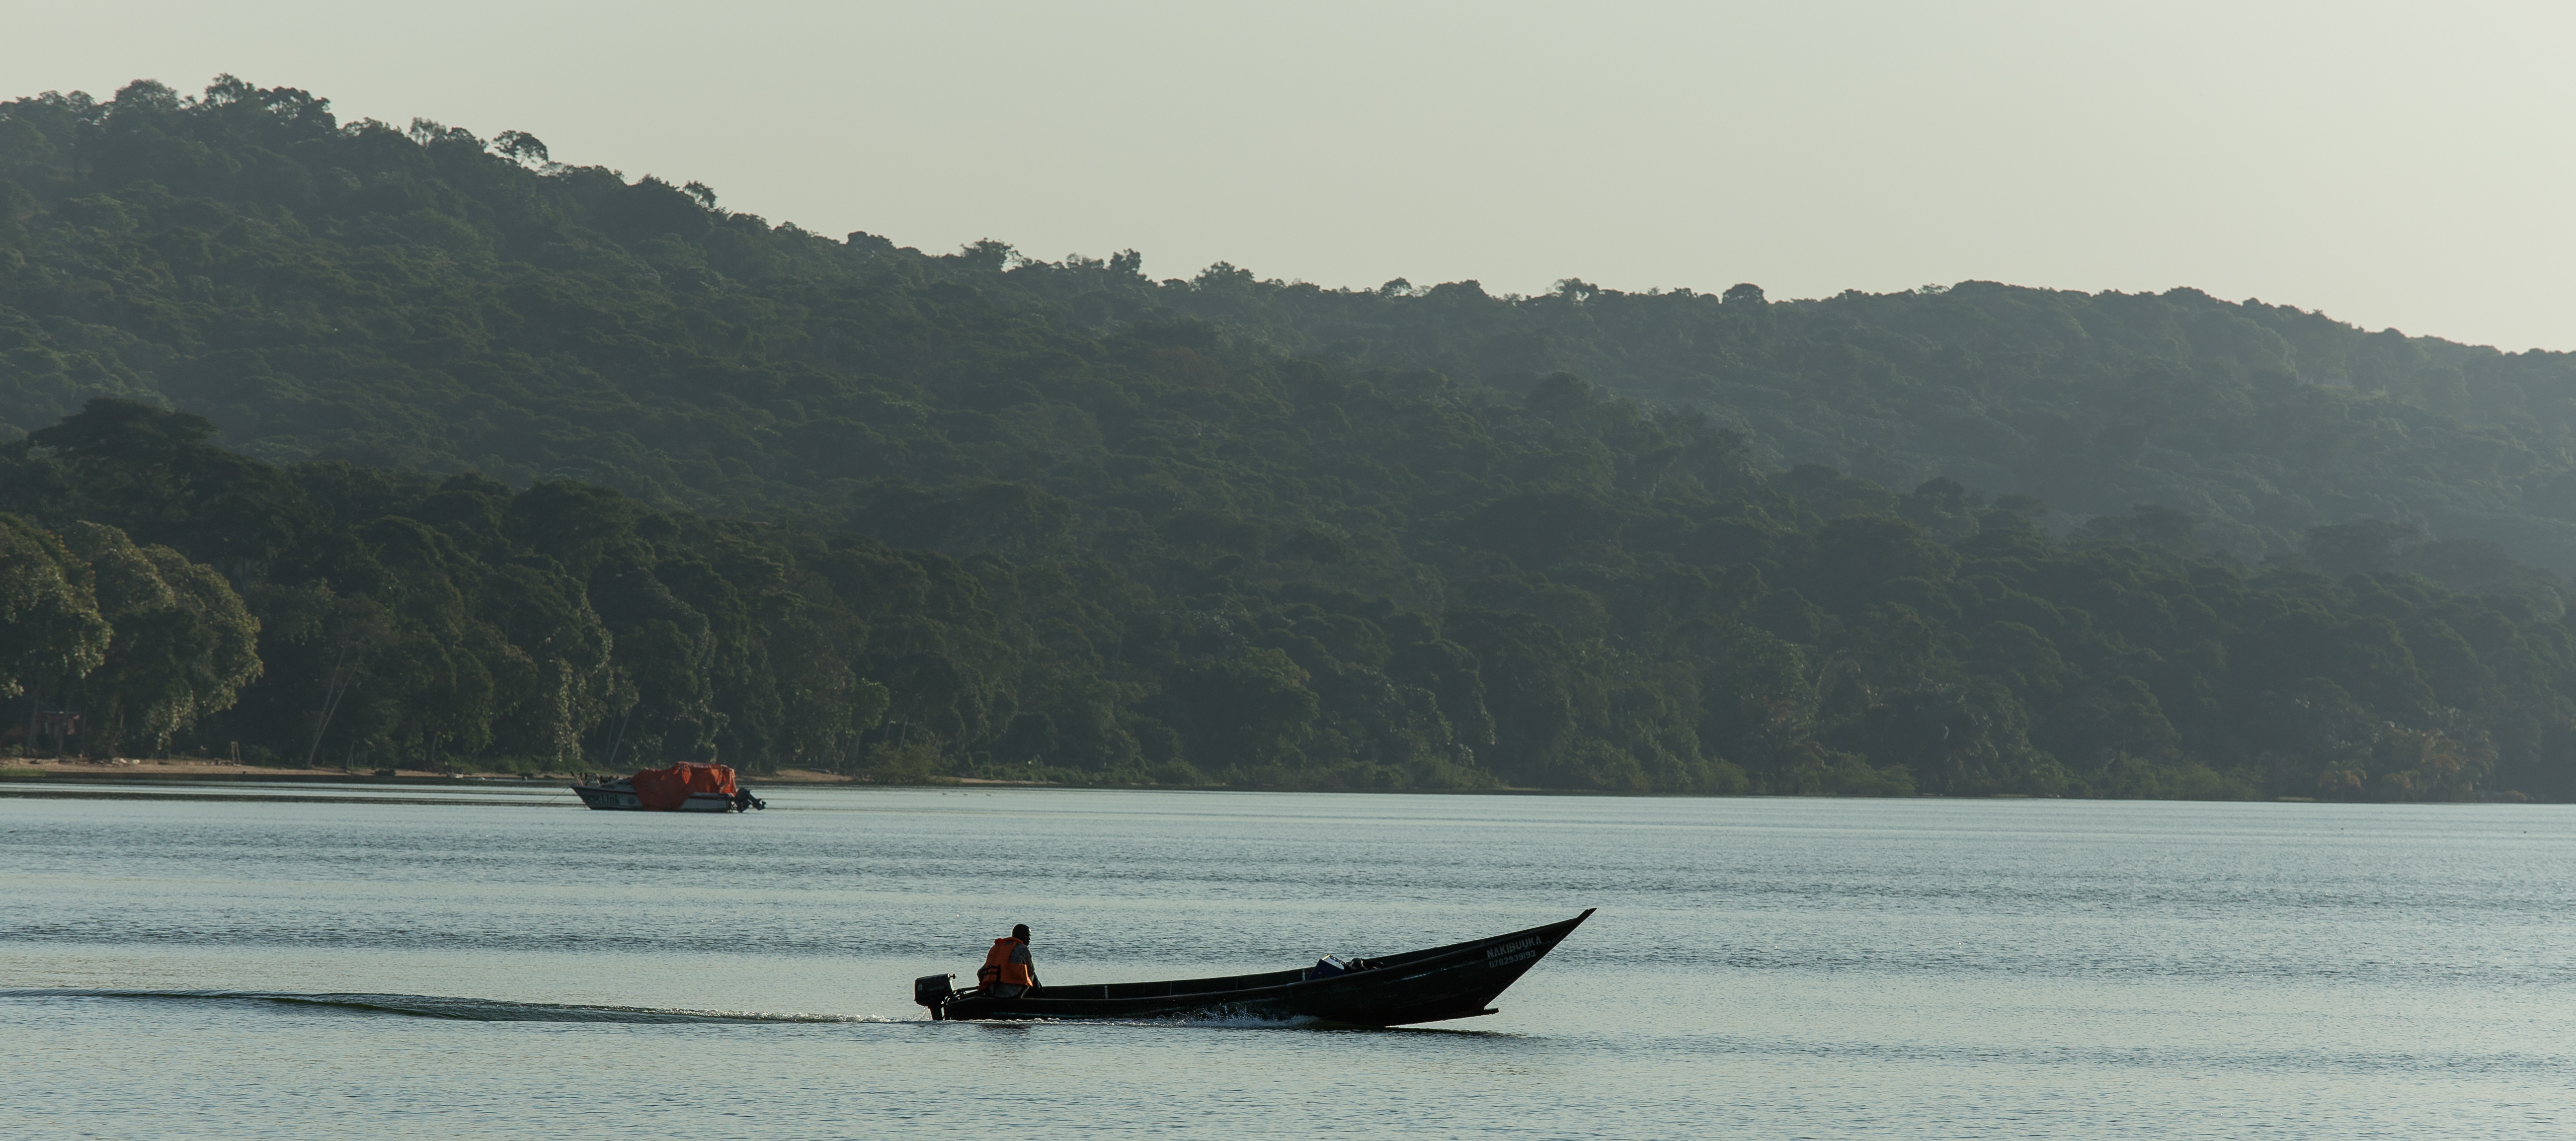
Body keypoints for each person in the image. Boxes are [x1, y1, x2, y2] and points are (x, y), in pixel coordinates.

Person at [978, 923, 1042, 998]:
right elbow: (1031, 972)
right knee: (1032, 975)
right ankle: (1041, 997)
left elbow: (980, 973)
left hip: (994, 992)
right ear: (1018, 935)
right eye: (1027, 935)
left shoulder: (997, 948)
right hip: (1015, 995)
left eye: (1029, 936)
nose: (1029, 939)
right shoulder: (1023, 949)